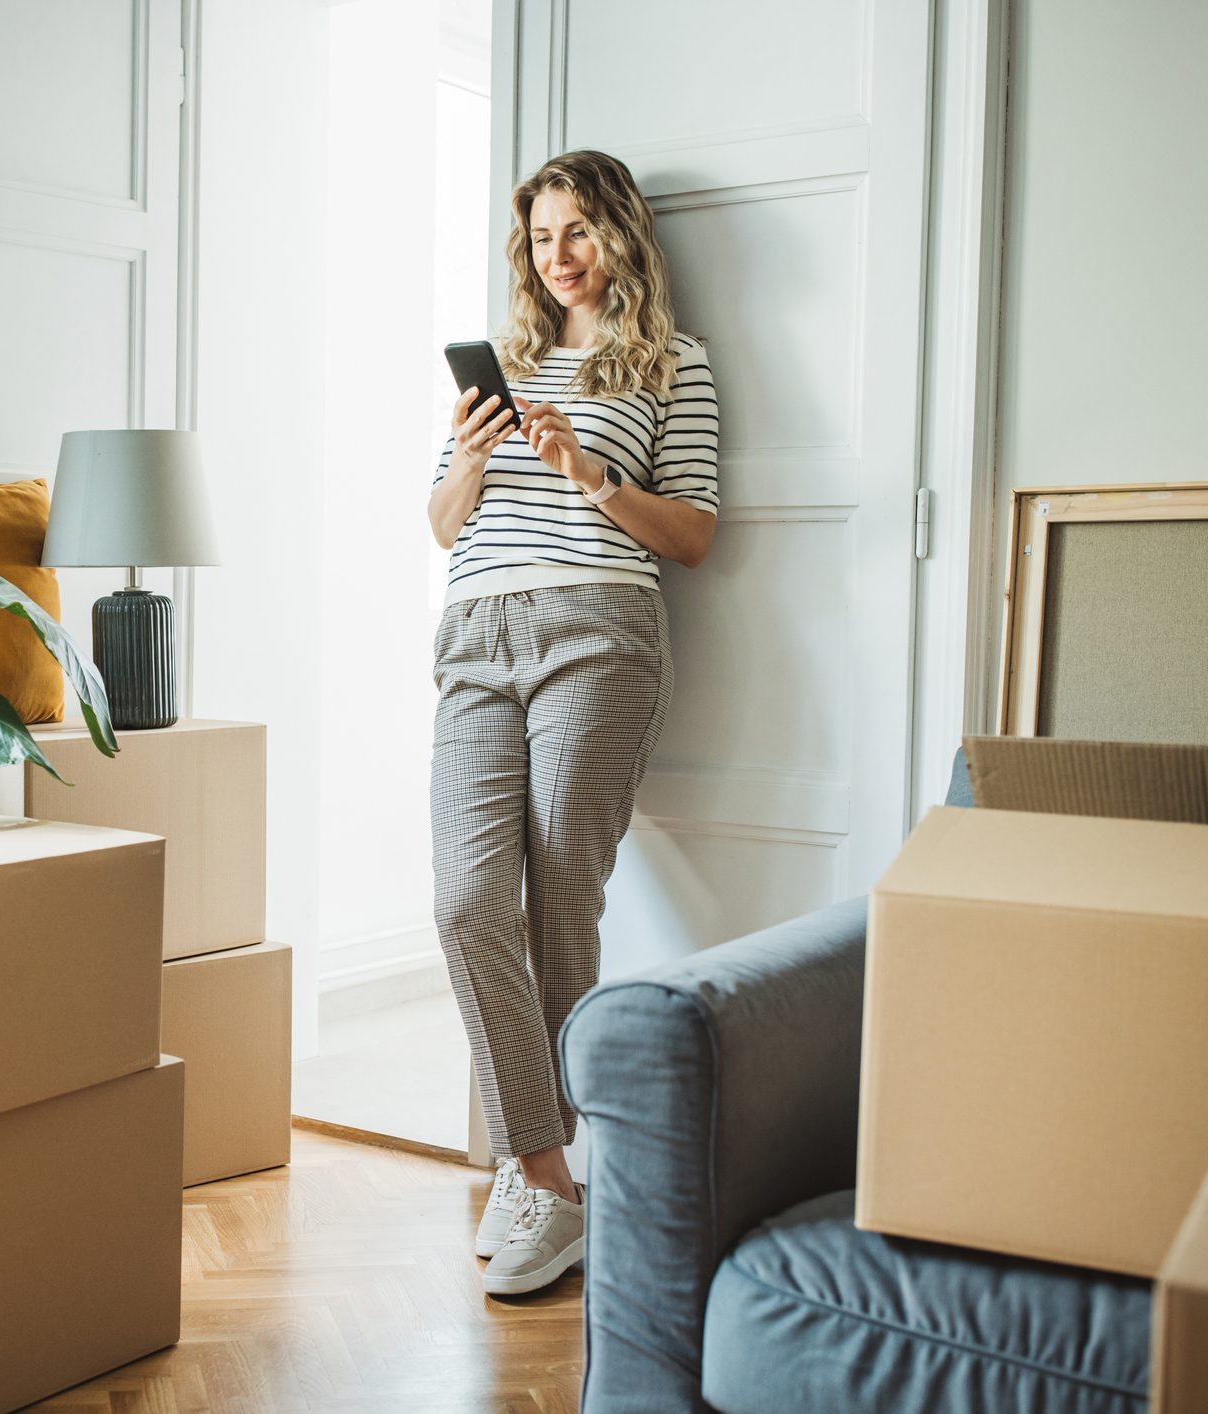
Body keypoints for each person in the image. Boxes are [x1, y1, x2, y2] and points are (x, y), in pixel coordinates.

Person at [427, 149, 718, 1298]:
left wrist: (587, 471)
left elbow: (692, 533)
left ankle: (543, 1183)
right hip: (472, 637)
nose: (559, 256)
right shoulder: (495, 370)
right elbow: (443, 524)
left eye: (578, 232)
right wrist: (472, 456)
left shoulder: (671, 364)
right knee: (461, 899)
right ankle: (543, 1172)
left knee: (558, 899)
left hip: (599, 628)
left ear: (618, 238)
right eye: (542, 237)